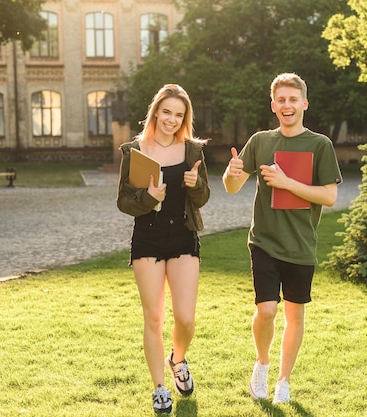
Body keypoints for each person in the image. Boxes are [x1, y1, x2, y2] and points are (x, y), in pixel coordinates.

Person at [222, 73, 342, 404]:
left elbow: (329, 197)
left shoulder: (320, 145)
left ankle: (283, 380)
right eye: (281, 100)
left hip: (301, 245)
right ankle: (262, 363)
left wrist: (287, 183)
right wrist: (231, 174)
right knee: (266, 310)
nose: (287, 105)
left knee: (295, 315)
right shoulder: (261, 141)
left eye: (293, 99)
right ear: (273, 105)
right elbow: (232, 188)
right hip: (264, 241)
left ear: (304, 103)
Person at [116, 84, 210, 414]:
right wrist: (149, 199)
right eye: (167, 111)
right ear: (156, 110)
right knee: (154, 317)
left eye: (179, 114)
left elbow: (203, 197)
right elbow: (124, 202)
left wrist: (194, 185)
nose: (172, 119)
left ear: (185, 118)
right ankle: (159, 388)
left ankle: (178, 359)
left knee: (185, 318)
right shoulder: (134, 150)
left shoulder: (191, 150)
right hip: (148, 239)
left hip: (184, 237)